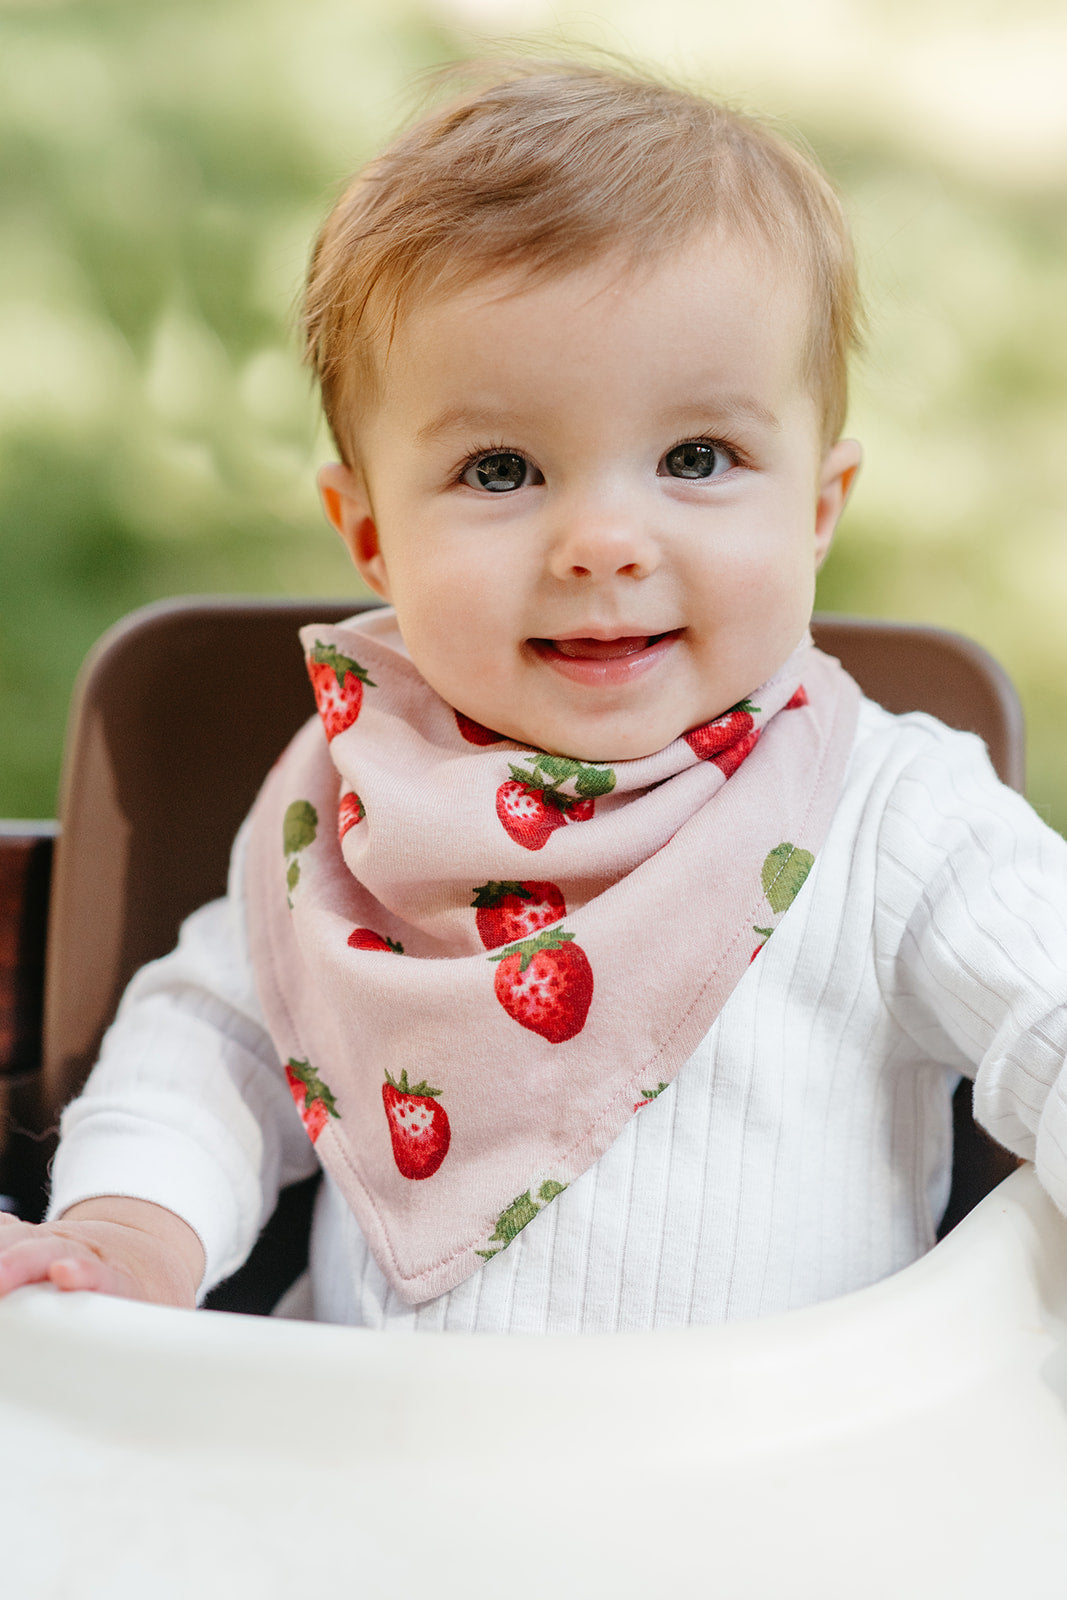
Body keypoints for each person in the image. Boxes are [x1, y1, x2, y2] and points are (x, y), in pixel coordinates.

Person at [2, 58, 1066, 1331]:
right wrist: (129, 1229)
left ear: (817, 508)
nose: (602, 543)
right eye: (501, 469)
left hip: (773, 1454)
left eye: (696, 457)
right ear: (371, 536)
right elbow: (223, 1044)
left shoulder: (889, 813)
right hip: (361, 1438)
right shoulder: (356, 801)